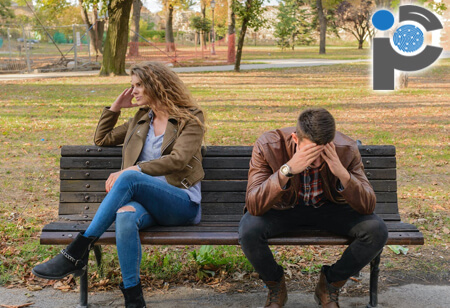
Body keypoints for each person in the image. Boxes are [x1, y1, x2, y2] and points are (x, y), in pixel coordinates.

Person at [32, 62, 206, 308]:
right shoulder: (141, 119)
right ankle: (134, 299)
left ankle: (77, 250)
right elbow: (102, 139)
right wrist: (115, 108)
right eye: (131, 85)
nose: (133, 91)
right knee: (124, 216)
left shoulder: (190, 117)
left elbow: (178, 160)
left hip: (181, 202)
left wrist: (134, 169)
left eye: (138, 85)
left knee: (129, 176)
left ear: (156, 85)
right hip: (147, 203)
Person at [239, 108, 388, 308]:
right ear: (295, 139)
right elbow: (254, 205)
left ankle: (330, 284)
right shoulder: (268, 145)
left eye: (323, 153)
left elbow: (368, 205)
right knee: (248, 230)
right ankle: (276, 285)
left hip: (329, 208)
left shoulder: (346, 148)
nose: (316, 161)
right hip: (284, 209)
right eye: (310, 153)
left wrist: (342, 173)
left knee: (376, 230)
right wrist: (287, 170)